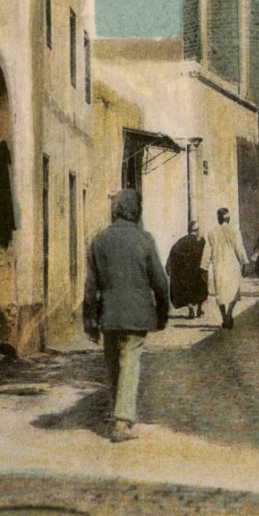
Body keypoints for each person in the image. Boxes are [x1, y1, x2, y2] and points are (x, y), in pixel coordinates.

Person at [83, 188, 169, 442]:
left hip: (109, 314)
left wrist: (89, 319)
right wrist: (162, 312)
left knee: (112, 365)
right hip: (137, 314)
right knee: (129, 363)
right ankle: (122, 421)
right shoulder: (145, 240)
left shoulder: (99, 241)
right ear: (136, 211)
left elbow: (91, 286)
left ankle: (115, 410)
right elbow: (160, 282)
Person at [200, 207, 248, 330]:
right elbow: (240, 249)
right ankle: (229, 314)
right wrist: (245, 263)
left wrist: (204, 268)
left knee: (220, 294)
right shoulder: (235, 232)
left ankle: (224, 317)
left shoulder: (212, 232)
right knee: (234, 292)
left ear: (218, 219)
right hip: (232, 266)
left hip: (219, 266)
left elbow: (207, 252)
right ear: (229, 219)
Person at [166, 220, 208, 319]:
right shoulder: (202, 240)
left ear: (188, 230)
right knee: (201, 290)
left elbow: (173, 253)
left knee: (189, 291)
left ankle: (191, 310)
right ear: (197, 230)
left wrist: (170, 267)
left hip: (187, 272)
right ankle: (199, 309)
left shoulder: (182, 241)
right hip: (199, 270)